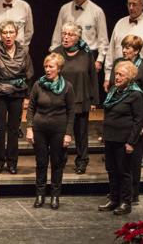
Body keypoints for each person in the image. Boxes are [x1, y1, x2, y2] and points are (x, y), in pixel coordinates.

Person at [26, 53, 75, 210]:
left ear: (58, 68)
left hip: (58, 130)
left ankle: (55, 196)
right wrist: (29, 128)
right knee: (41, 163)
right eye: (46, 66)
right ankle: (40, 195)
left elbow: (71, 111)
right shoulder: (38, 85)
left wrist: (68, 133)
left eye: (51, 66)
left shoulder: (67, 87)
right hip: (39, 129)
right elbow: (31, 107)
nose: (47, 69)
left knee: (57, 163)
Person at [107, 35, 143, 202]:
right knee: (117, 162)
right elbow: (114, 86)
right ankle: (118, 192)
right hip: (120, 116)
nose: (125, 50)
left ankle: (133, 193)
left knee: (133, 160)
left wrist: (142, 122)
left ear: (136, 50)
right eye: (124, 47)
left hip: (136, 117)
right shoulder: (120, 62)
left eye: (128, 48)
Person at [0, 20, 34, 174]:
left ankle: (12, 162)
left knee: (14, 129)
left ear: (16, 34)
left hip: (18, 93)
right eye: (5, 33)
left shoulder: (23, 51)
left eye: (11, 32)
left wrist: (27, 97)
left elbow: (29, 74)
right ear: (0, 35)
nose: (8, 36)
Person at [51, 22, 98, 174]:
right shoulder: (56, 53)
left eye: (70, 34)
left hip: (81, 99)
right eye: (64, 34)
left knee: (81, 133)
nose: (65, 37)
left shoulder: (86, 54)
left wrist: (94, 100)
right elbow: (49, 76)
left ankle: (82, 160)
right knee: (60, 133)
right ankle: (60, 160)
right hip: (60, 101)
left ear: (78, 37)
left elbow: (92, 77)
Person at [99, 61, 143, 216]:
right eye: (116, 74)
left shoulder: (135, 94)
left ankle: (126, 202)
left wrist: (131, 142)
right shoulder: (113, 91)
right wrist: (104, 134)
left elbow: (139, 120)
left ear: (130, 77)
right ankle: (114, 199)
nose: (116, 77)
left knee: (124, 171)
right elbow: (108, 114)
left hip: (124, 139)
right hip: (111, 137)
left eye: (121, 75)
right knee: (111, 169)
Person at [105, 0, 143, 92]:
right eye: (129, 4)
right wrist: (107, 76)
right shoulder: (120, 23)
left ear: (142, 5)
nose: (131, 7)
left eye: (134, 4)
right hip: (118, 76)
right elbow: (111, 52)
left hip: (139, 77)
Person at [49, 0, 109, 71]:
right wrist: (53, 54)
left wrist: (99, 60)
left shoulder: (97, 11)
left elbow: (103, 39)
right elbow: (57, 35)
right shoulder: (64, 9)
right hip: (66, 54)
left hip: (88, 55)